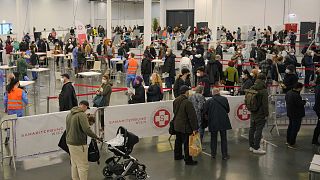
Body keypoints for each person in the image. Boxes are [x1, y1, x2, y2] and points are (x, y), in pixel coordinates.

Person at [66, 100, 101, 180]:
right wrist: (96, 137)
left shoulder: (69, 114)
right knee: (83, 165)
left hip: (70, 142)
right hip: (78, 143)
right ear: (84, 106)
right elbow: (87, 129)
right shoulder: (81, 115)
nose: (86, 110)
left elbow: (67, 129)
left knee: (74, 164)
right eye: (86, 108)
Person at [173, 85, 198, 165]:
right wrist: (195, 128)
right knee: (187, 143)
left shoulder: (175, 100)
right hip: (185, 127)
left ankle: (177, 156)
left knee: (178, 141)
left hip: (177, 125)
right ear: (186, 92)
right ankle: (188, 160)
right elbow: (192, 116)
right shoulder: (188, 102)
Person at [204, 88, 232, 160]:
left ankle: (213, 154)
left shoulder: (209, 101)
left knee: (213, 138)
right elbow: (228, 110)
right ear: (219, 92)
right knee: (223, 138)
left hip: (213, 122)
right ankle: (224, 155)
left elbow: (205, 112)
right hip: (223, 121)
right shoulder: (224, 99)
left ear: (212, 93)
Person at [249, 73, 269, 154]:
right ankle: (256, 148)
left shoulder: (252, 87)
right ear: (264, 80)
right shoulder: (263, 90)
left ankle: (251, 146)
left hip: (253, 111)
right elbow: (265, 104)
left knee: (252, 129)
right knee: (259, 130)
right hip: (260, 113)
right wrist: (266, 114)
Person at [4, 78, 28, 144]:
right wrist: (25, 104)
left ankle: (7, 138)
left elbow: (5, 101)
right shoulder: (21, 91)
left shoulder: (8, 91)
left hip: (10, 110)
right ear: (17, 83)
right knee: (19, 124)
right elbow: (26, 100)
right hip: (19, 111)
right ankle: (19, 137)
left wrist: (6, 108)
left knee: (9, 125)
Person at [285, 82, 306, 148]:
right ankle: (292, 143)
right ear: (299, 88)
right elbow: (299, 104)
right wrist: (304, 101)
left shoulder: (288, 92)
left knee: (290, 127)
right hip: (296, 114)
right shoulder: (296, 95)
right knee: (295, 128)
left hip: (290, 113)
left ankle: (288, 140)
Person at [313, 73, 320, 146]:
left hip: (318, 108)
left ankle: (314, 140)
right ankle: (314, 140)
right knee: (319, 126)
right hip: (319, 109)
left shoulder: (317, 87)